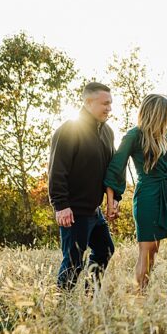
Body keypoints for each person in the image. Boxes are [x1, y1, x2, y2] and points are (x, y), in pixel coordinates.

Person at [104, 94, 167, 290]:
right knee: (149, 251)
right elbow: (116, 167)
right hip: (147, 196)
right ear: (156, 113)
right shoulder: (133, 135)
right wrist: (111, 201)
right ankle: (141, 298)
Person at [48, 82, 117, 292]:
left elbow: (110, 170)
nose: (109, 108)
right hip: (74, 210)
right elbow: (56, 170)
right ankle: (61, 307)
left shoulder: (107, 132)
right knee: (73, 262)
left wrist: (114, 198)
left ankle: (90, 297)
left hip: (94, 211)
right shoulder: (69, 130)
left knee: (105, 250)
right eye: (105, 103)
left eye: (110, 104)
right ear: (88, 102)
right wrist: (61, 205)